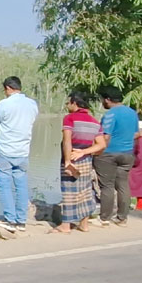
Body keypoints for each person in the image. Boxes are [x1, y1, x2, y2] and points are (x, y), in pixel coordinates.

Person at [72, 86, 139, 226]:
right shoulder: (132, 113)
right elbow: (137, 134)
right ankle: (122, 218)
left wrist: (96, 151)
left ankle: (104, 218)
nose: (103, 102)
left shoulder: (111, 114)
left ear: (108, 100)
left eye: (103, 100)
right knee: (123, 185)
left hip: (109, 154)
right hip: (127, 153)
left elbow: (106, 136)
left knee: (107, 186)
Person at [0, 76, 39, 233]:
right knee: (21, 186)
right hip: (23, 151)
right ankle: (21, 221)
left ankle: (10, 219)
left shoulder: (4, 104)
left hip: (5, 150)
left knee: (4, 185)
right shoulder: (32, 104)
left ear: (8, 88)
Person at [57, 91, 101, 233]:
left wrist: (68, 160)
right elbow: (101, 144)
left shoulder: (69, 119)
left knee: (69, 191)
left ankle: (65, 225)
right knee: (85, 191)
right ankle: (84, 224)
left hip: (72, 159)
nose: (67, 105)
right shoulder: (94, 121)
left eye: (68, 102)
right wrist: (84, 152)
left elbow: (67, 141)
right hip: (86, 160)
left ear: (74, 103)